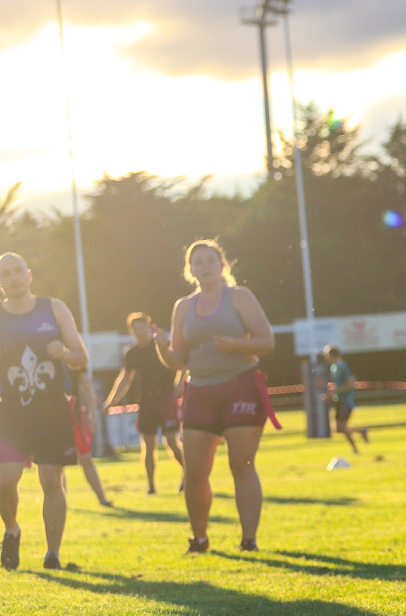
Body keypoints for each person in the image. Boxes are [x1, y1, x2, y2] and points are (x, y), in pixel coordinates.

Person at [165, 240, 277, 554]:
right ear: (190, 271)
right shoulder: (183, 306)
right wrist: (162, 347)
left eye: (209, 260)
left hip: (240, 385)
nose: (204, 266)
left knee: (241, 464)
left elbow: (267, 341)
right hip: (199, 389)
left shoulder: (239, 297)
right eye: (197, 262)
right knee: (195, 470)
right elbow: (178, 359)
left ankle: (249, 539)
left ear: (222, 265)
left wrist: (236, 345)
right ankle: (199, 539)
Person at [0, 252, 93, 571]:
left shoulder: (53, 308)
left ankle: (52, 553)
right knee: (4, 478)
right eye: (5, 274)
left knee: (52, 480)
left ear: (28, 274)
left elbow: (82, 356)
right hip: (11, 411)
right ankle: (11, 529)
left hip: (51, 408)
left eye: (17, 271)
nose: (12, 278)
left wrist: (65, 354)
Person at [103, 312, 185, 494]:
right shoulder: (131, 353)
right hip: (147, 401)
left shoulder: (161, 345)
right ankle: (151, 486)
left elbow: (181, 363)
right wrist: (110, 401)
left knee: (172, 441)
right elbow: (125, 379)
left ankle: (188, 473)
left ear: (149, 327)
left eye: (142, 327)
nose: (139, 331)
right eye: (135, 328)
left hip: (166, 397)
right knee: (148, 445)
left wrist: (179, 385)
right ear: (131, 330)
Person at [323, 346, 370, 453]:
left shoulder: (343, 366)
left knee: (342, 426)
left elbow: (351, 383)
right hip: (338, 400)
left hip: (346, 400)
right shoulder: (333, 368)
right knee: (339, 429)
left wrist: (335, 392)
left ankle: (355, 449)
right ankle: (361, 432)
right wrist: (331, 394)